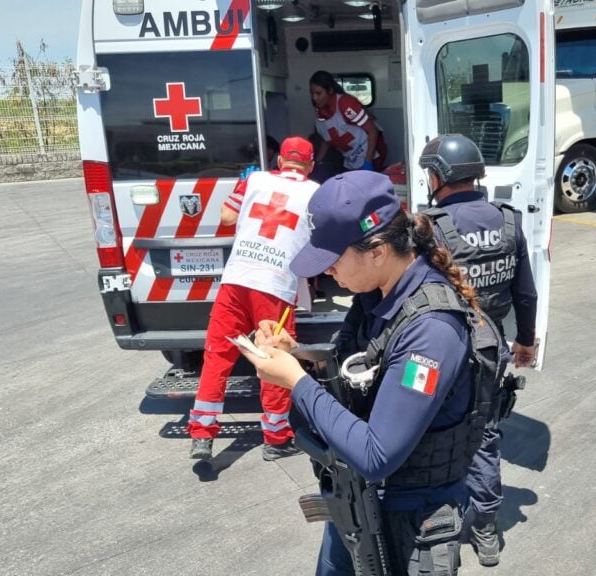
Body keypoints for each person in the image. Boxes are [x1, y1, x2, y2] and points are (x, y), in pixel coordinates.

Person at [238, 171, 487, 575]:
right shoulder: (377, 293)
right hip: (359, 504)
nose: (326, 273)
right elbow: (363, 368)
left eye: (333, 260)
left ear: (377, 250)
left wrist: (295, 381)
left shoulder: (432, 331)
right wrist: (297, 354)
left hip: (411, 524)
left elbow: (377, 454)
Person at [418, 134, 537, 567]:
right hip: (493, 348)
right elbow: (526, 292)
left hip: (443, 347)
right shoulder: (508, 221)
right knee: (484, 433)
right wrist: (525, 341)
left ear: (439, 176)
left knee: (431, 431)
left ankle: (441, 517)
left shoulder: (429, 226)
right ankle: (486, 527)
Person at [188, 137, 319, 462]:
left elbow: (228, 218)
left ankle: (202, 432)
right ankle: (276, 438)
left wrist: (247, 191)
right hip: (274, 285)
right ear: (311, 164)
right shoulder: (316, 191)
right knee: (273, 356)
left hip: (237, 278)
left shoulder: (255, 180)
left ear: (279, 162)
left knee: (217, 355)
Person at [309, 70, 388, 177]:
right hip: (351, 158)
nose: (314, 98)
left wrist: (368, 162)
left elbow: (372, 131)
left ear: (330, 91)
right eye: (312, 93)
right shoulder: (321, 112)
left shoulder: (345, 104)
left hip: (371, 151)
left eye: (318, 93)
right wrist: (316, 163)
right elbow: (327, 139)